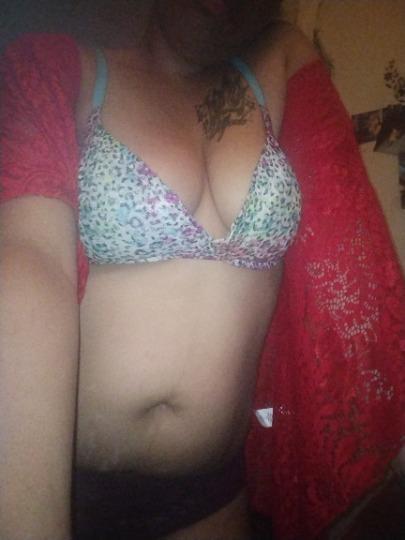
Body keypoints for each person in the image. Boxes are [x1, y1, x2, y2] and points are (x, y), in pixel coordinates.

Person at [0, 1, 404, 539]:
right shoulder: (59, 68)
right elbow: (30, 262)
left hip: (214, 490)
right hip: (66, 484)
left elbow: (352, 247)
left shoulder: (279, 61)